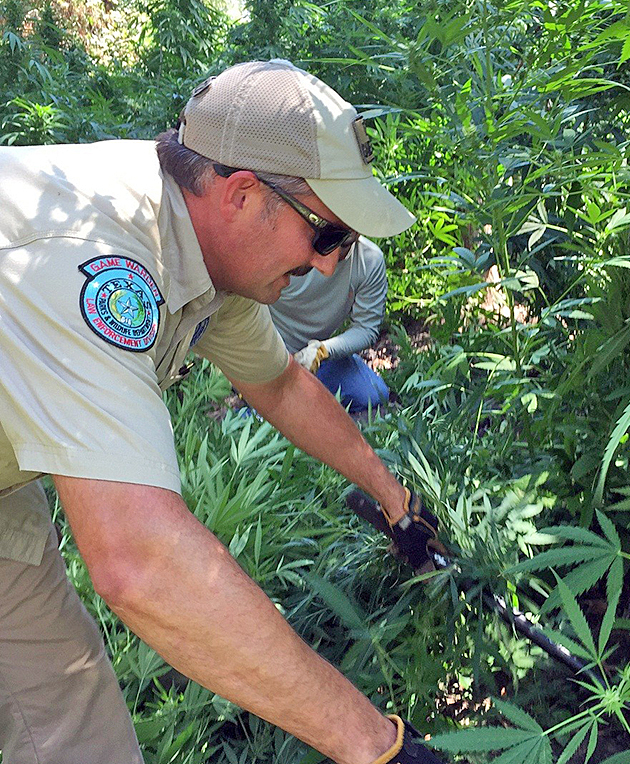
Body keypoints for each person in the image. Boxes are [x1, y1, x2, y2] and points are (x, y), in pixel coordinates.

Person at [0, 59, 445, 764]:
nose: (330, 266)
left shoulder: (210, 256)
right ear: (242, 195)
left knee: (71, 722)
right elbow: (139, 561)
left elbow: (279, 385)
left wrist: (395, 499)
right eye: (326, 236)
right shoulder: (86, 260)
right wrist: (375, 746)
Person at [269, 234, 392, 415]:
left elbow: (366, 328)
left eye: (345, 245)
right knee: (268, 416)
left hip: (320, 359)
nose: (331, 263)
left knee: (373, 394)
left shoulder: (369, 260)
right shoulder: (284, 250)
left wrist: (323, 350)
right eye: (330, 240)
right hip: (269, 354)